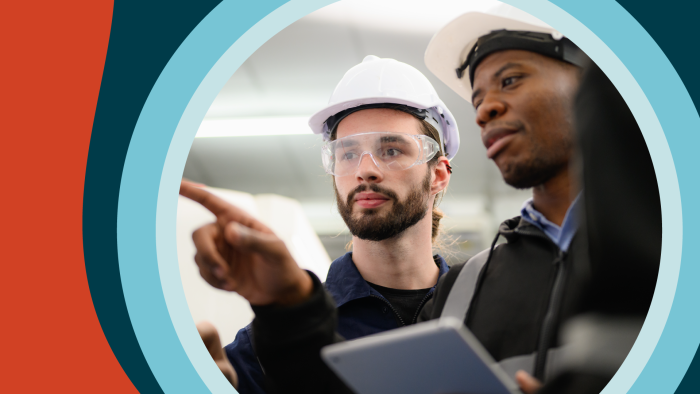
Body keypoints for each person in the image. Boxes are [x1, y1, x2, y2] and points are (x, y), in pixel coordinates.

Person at [182, 55, 461, 393]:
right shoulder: (273, 339)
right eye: (347, 153)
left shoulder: (484, 309)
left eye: (391, 150)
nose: (365, 170)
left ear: (439, 175)